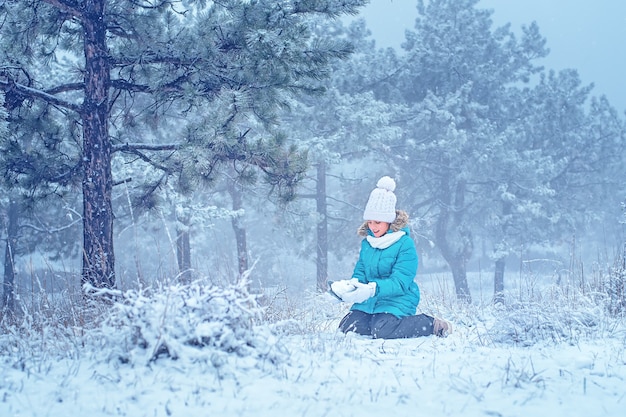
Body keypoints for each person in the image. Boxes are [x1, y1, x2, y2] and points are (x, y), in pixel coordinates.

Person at [329, 176, 450, 339]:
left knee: (383, 330)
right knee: (348, 327)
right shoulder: (368, 243)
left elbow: (400, 282)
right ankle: (375, 320)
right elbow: (361, 271)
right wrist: (351, 287)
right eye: (370, 222)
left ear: (389, 221)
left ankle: (432, 324)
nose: (372, 227)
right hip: (370, 301)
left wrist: (372, 289)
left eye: (377, 222)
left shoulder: (404, 244)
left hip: (397, 299)